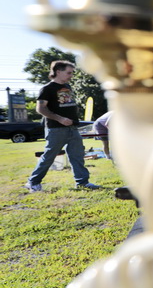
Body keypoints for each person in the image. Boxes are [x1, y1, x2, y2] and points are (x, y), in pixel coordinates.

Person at [25, 60, 99, 191]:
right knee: (49, 157)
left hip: (72, 128)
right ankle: (33, 182)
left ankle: (82, 182)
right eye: (68, 73)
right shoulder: (47, 89)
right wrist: (60, 118)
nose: (71, 75)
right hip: (56, 129)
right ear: (58, 71)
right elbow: (40, 109)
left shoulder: (68, 87)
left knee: (77, 156)